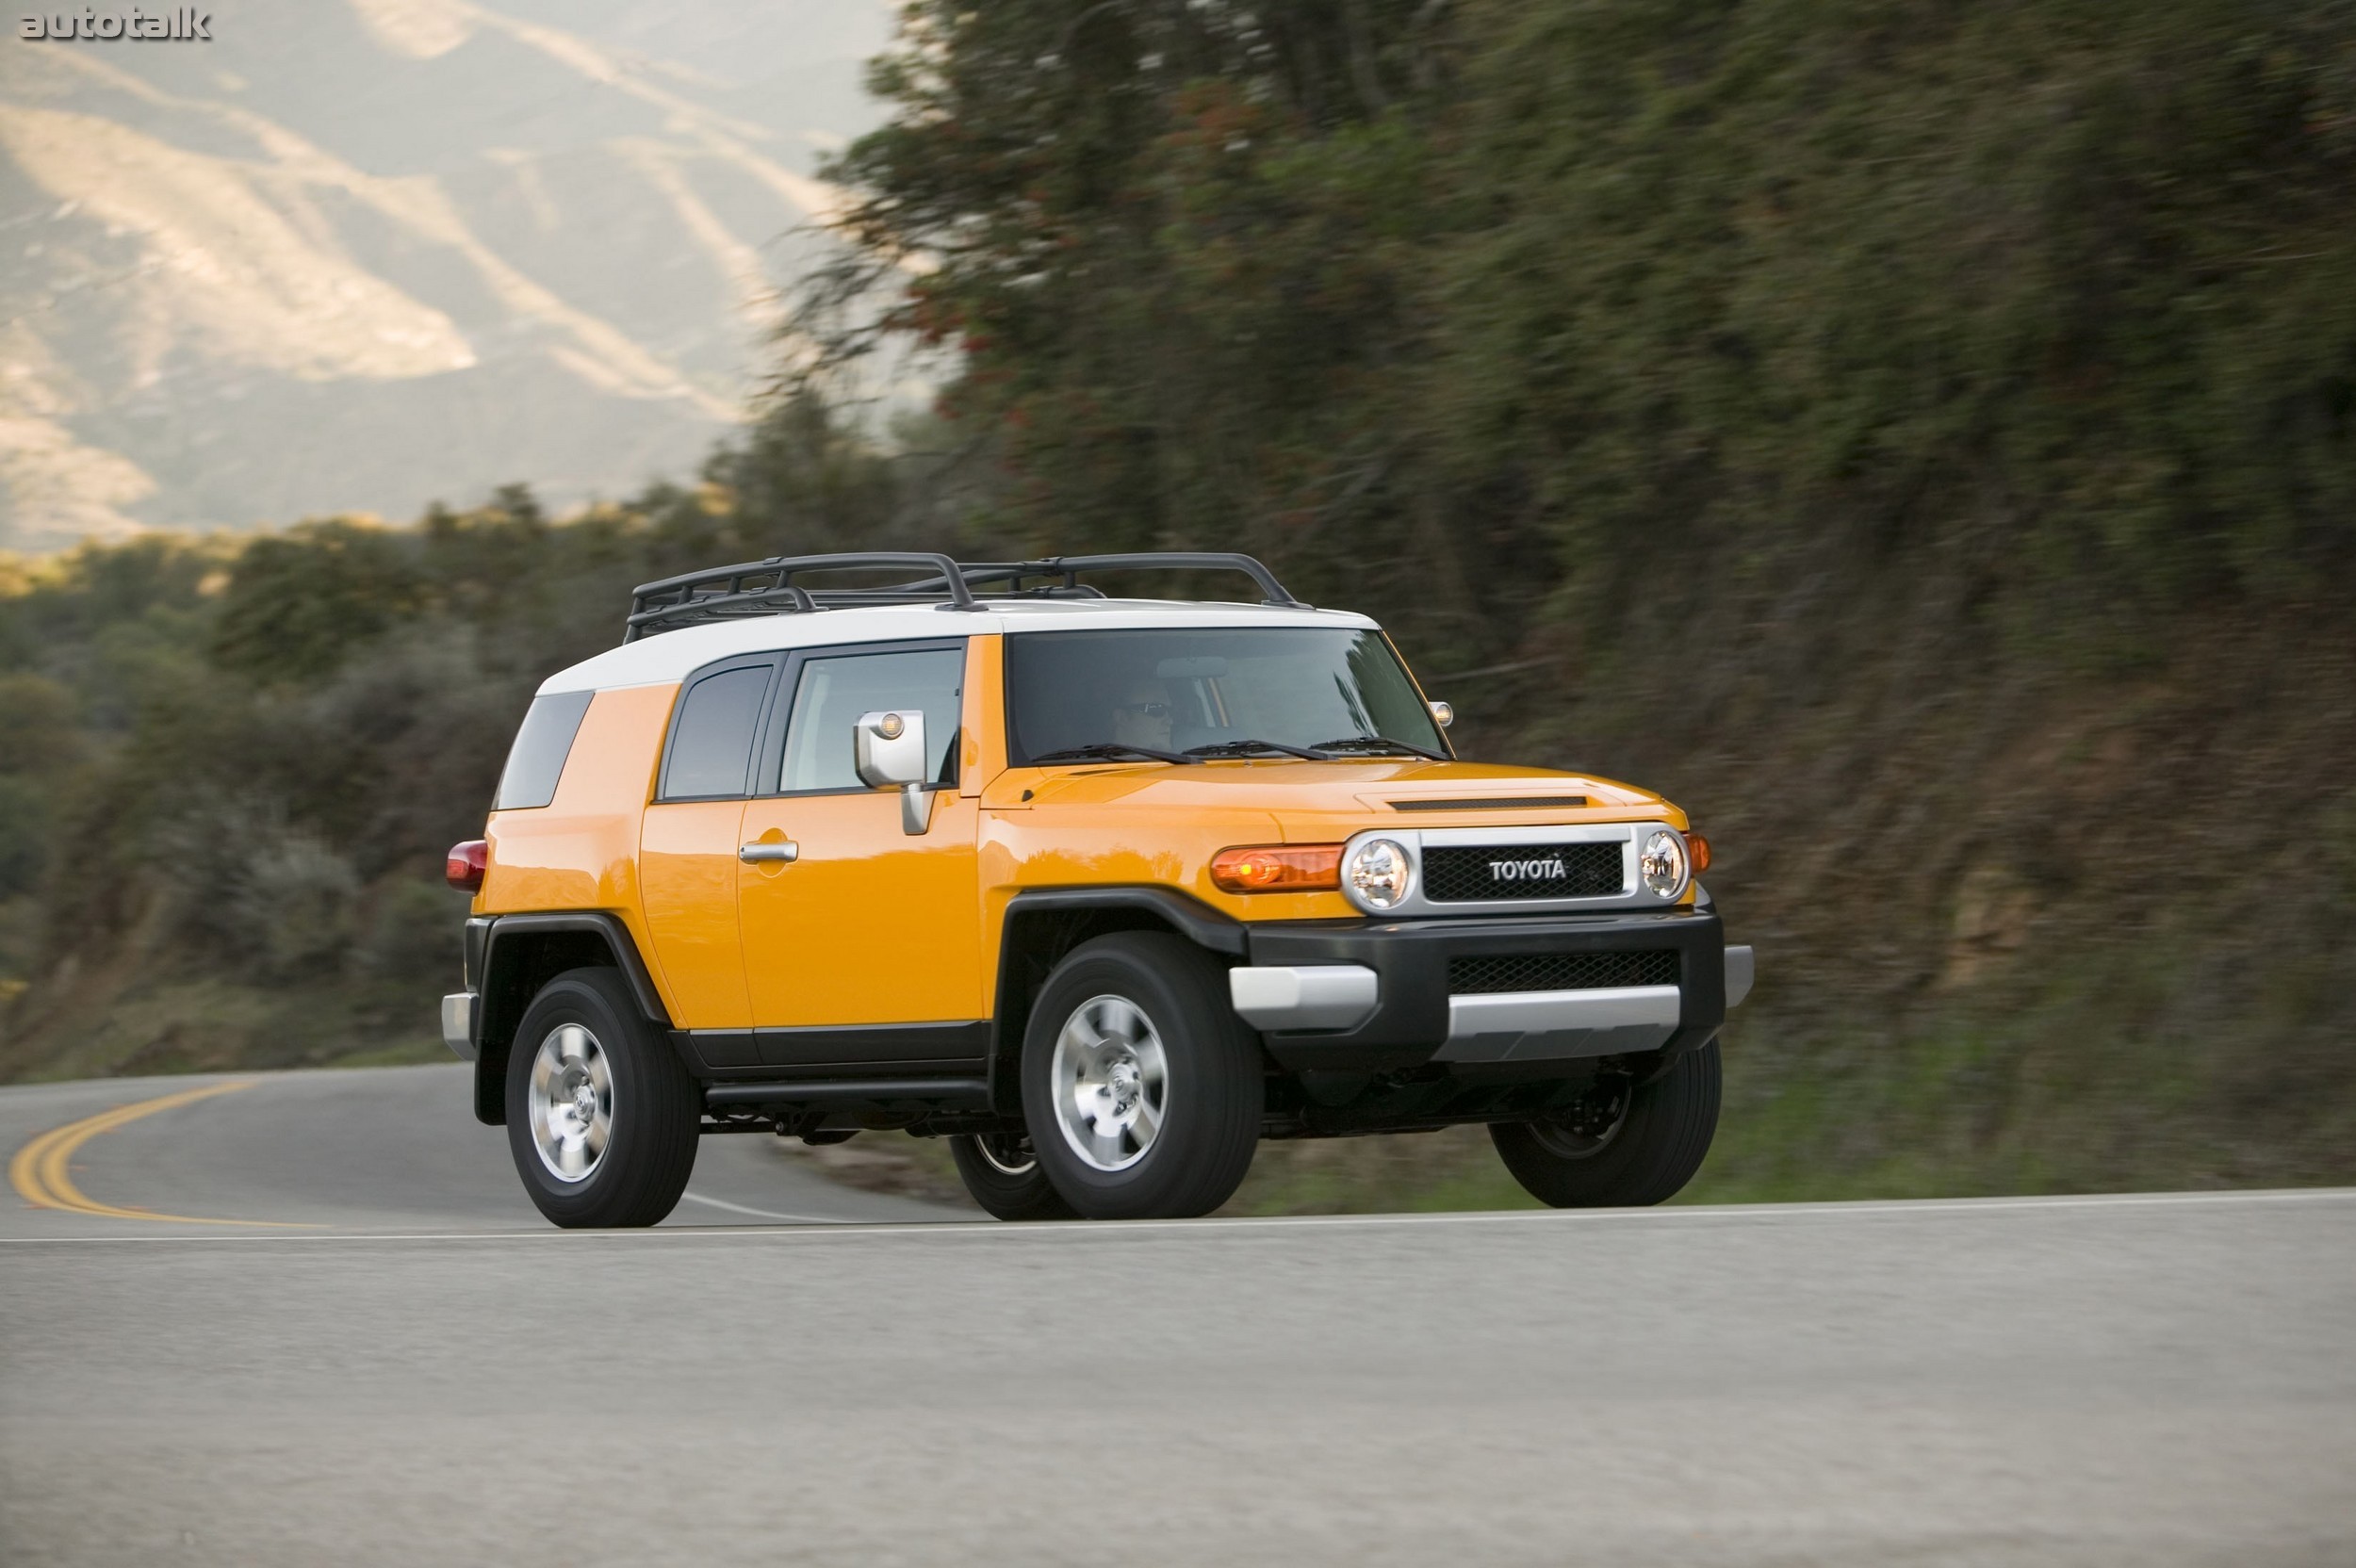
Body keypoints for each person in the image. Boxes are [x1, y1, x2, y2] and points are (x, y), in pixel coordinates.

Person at [1110, 678, 1174, 752]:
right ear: (1122, 717)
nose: (1170, 721)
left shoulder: (1184, 760)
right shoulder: (1098, 762)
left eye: (1170, 711)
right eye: (1157, 709)